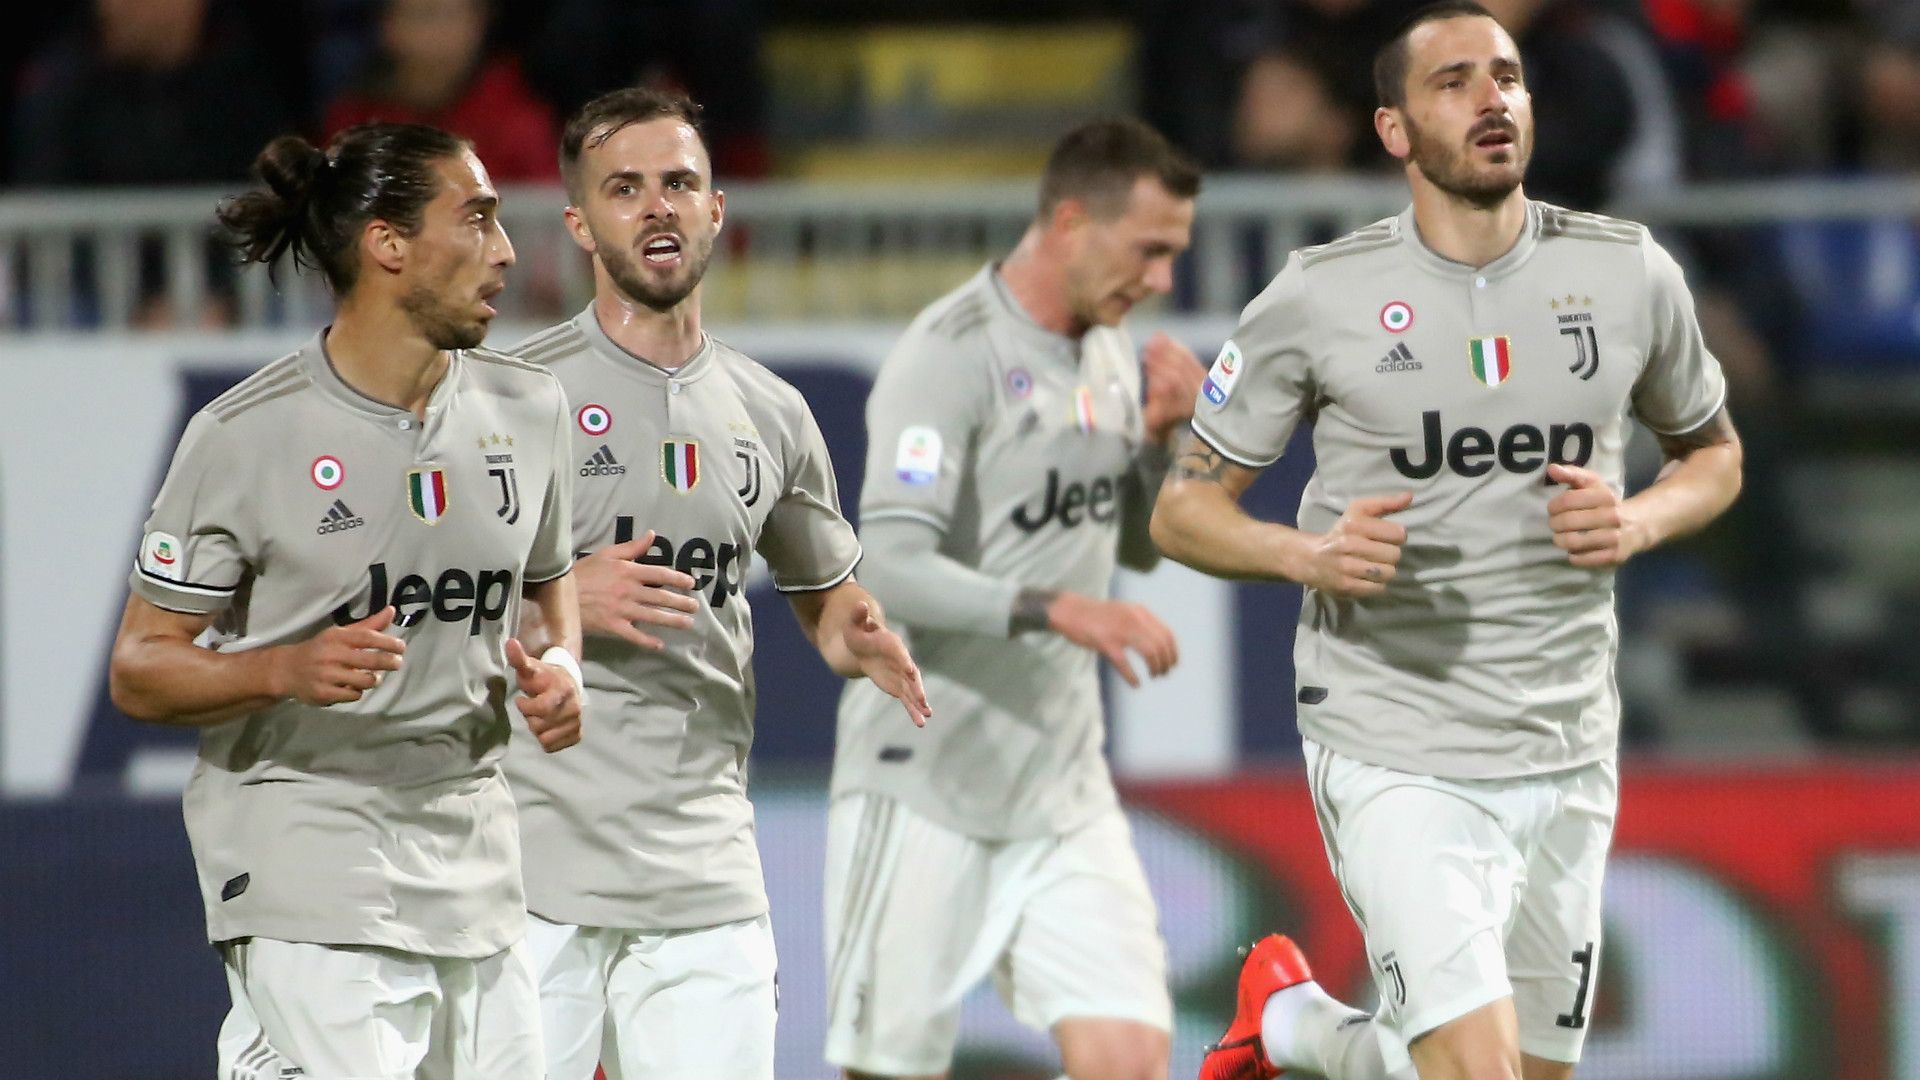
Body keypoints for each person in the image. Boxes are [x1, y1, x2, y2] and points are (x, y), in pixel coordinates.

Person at [1149, 4, 1743, 1080]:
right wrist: (1307, 555)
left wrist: (1638, 518)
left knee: (1511, 1068)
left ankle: (1288, 1025)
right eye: (1454, 81)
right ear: (1392, 129)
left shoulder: (1626, 273)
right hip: (1396, 739)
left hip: (1566, 738)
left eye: (1507, 77)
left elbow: (1716, 455)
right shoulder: (1320, 295)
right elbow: (1183, 509)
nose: (1491, 99)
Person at [107, 121, 586, 1078]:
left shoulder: (531, 411)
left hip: (476, 851)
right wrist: (283, 666)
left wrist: (563, 663)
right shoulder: (245, 435)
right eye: (478, 218)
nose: (504, 252)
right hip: (307, 841)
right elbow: (140, 668)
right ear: (388, 243)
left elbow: (545, 591)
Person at [501, 86, 931, 1080]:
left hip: (704, 877)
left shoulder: (771, 412)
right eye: (626, 188)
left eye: (679, 183)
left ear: (716, 211)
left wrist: (855, 632)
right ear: (581, 222)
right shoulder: (511, 401)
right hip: (533, 873)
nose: (658, 206)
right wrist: (559, 601)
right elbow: (418, 609)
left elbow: (825, 594)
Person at [825, 117, 1205, 1080]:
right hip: (927, 779)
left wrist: (1160, 447)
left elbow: (1134, 551)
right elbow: (893, 562)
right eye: (1149, 250)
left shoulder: (1112, 349)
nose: (1162, 280)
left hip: (1062, 788)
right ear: (1073, 222)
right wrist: (1063, 610)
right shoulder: (949, 354)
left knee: (1130, 1054)